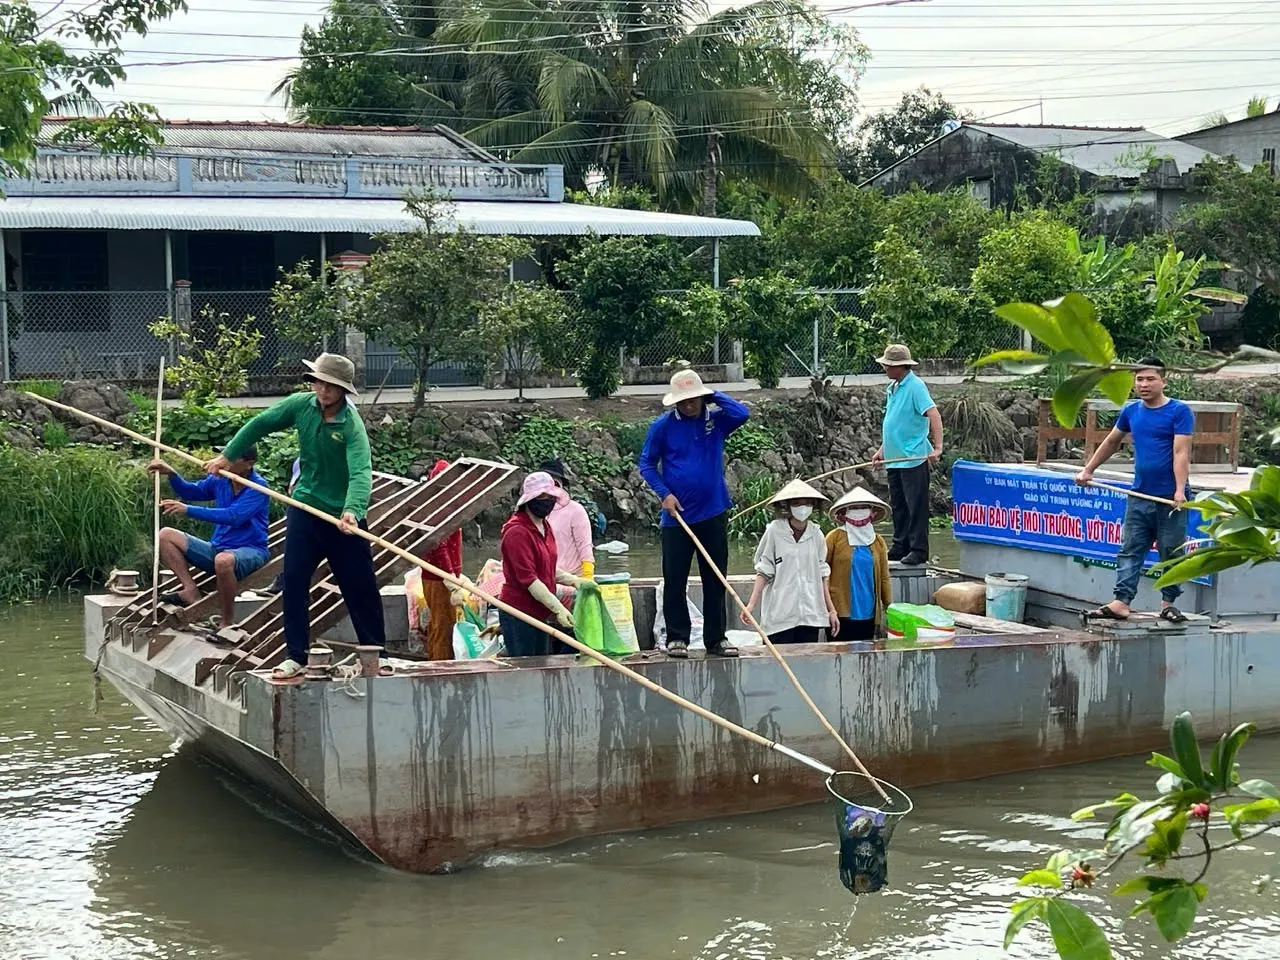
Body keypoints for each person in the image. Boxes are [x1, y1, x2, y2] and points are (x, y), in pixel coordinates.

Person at [205, 353, 386, 680]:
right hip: (305, 508)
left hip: (342, 518)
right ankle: (295, 656)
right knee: (294, 582)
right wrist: (227, 455)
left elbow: (361, 471)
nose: (323, 390)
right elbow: (260, 424)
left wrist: (353, 511)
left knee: (360, 586)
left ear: (343, 390)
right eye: (319, 382)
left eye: (331, 386)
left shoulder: (351, 424)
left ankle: (377, 653)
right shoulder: (301, 405)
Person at [639, 369, 750, 659]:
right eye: (683, 401)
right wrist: (665, 494)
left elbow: (741, 414)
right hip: (677, 517)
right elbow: (647, 465)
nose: (688, 406)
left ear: (702, 398)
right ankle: (678, 637)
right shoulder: (662, 427)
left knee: (716, 577)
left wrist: (715, 395)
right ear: (675, 403)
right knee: (675, 578)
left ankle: (717, 638)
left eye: (693, 400)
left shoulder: (716, 421)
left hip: (713, 511)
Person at [1075, 357, 1194, 623]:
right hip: (1139, 494)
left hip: (1170, 498)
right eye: (1139, 379)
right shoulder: (1131, 412)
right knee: (1130, 549)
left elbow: (1181, 451)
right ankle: (1121, 602)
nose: (1144, 384)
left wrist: (1179, 491)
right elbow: (1111, 442)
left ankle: (1168, 603)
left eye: (1150, 378)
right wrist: (1088, 470)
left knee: (1171, 551)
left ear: (1164, 380)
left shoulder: (1179, 411)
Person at [149, 445, 270, 628]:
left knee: (223, 561)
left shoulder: (258, 487)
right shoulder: (220, 479)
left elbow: (233, 516)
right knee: (165, 535)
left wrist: (187, 510)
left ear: (249, 464)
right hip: (218, 548)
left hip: (251, 552)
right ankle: (190, 590)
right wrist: (172, 474)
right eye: (224, 456)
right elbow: (191, 491)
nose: (224, 461)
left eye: (231, 457)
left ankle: (226, 621)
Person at [497, 472, 586, 657]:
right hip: (519, 613)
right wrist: (559, 609)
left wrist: (575, 581)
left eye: (550, 497)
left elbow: (547, 567)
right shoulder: (517, 532)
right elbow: (530, 580)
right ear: (529, 500)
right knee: (526, 669)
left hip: (540, 612)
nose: (547, 502)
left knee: (543, 665)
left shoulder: (545, 527)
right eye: (542, 497)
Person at [742, 479, 840, 644]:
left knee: (807, 663)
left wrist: (831, 611)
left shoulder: (816, 534)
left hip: (810, 614)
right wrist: (750, 605)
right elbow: (764, 570)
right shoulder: (774, 531)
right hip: (780, 615)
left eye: (807, 503)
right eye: (797, 503)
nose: (802, 507)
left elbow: (822, 575)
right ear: (787, 506)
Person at [871, 344, 942, 566]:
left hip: (912, 458)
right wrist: (882, 451)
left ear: (900, 367)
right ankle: (900, 545)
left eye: (888, 365)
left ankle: (918, 549)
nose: (885, 368)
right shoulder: (893, 387)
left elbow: (933, 414)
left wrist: (938, 447)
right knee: (899, 505)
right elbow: (895, 424)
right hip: (894, 458)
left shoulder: (915, 387)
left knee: (916, 505)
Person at [825, 487, 893, 642]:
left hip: (868, 611)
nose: (859, 511)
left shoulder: (878, 541)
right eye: (854, 508)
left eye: (864, 507)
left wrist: (888, 605)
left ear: (872, 512)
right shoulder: (834, 538)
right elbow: (821, 571)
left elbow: (884, 577)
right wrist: (828, 608)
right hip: (840, 611)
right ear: (844, 512)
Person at [420, 459, 463, 660]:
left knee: (441, 623)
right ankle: (439, 665)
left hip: (444, 575)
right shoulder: (438, 509)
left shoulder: (444, 506)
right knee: (443, 626)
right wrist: (450, 580)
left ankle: (437, 659)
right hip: (438, 577)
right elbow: (440, 546)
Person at [539, 458, 595, 580]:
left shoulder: (575, 510)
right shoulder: (534, 510)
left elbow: (585, 546)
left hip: (570, 577)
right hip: (541, 575)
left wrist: (588, 578)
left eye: (555, 483)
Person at [262, 457, 301, 597]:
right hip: (301, 507)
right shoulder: (302, 459)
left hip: (318, 507)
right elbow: (293, 487)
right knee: (294, 548)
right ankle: (283, 581)